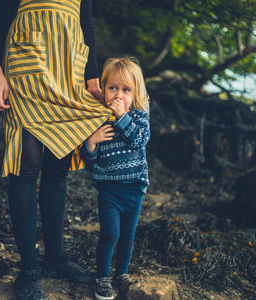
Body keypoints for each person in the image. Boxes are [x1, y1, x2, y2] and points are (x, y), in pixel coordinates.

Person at [0, 1, 113, 299]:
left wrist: (92, 79)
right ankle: (29, 270)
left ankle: (55, 259)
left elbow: (87, 25)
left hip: (69, 66)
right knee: (26, 165)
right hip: (26, 59)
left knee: (58, 169)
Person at [81, 57, 150, 300]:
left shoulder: (139, 117)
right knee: (110, 234)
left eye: (125, 90)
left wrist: (122, 117)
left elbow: (139, 140)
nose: (118, 95)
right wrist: (91, 141)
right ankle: (102, 277)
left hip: (134, 188)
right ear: (104, 88)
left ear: (135, 93)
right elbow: (89, 159)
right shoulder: (98, 118)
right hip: (109, 190)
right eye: (113, 88)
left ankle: (121, 273)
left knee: (127, 237)